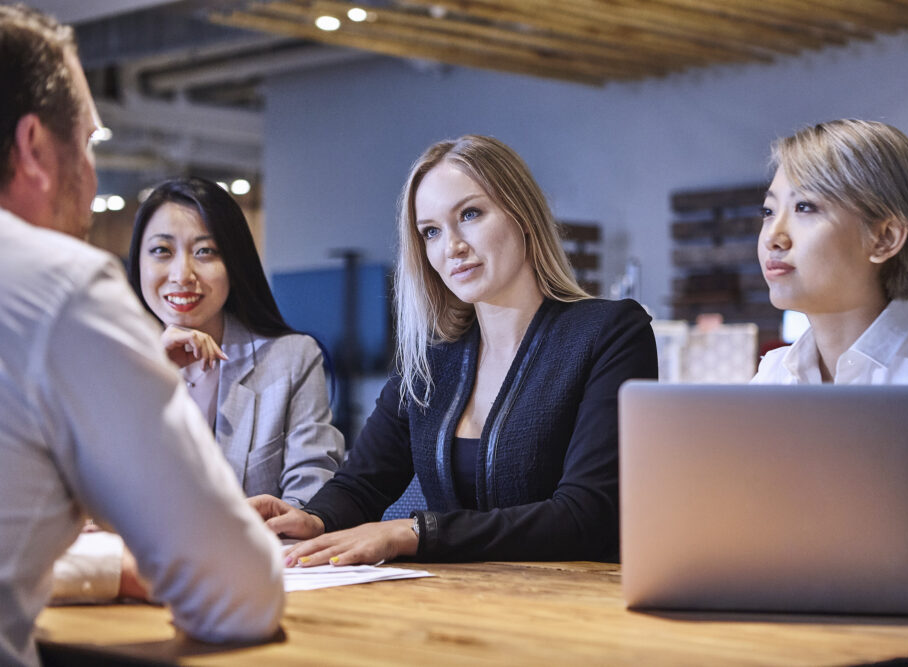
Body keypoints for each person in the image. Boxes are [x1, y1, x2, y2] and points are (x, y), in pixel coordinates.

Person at [0, 6, 283, 665]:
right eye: (91, 143)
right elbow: (239, 592)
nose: (94, 175)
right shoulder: (61, 286)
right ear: (36, 148)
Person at [252, 135, 658, 566]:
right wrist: (313, 519)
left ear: (522, 214)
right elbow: (362, 485)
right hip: (453, 605)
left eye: (470, 214)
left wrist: (415, 532)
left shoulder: (609, 333)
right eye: (431, 231)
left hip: (576, 606)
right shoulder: (434, 359)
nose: (452, 247)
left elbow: (585, 515)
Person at [752, 119, 908, 597]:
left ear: (885, 237)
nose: (773, 237)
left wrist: (891, 563)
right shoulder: (773, 375)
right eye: (768, 211)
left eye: (805, 207)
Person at [127, 178, 343, 506]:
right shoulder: (112, 360)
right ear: (138, 263)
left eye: (205, 251)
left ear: (234, 263)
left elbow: (312, 498)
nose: (182, 274)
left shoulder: (291, 358)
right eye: (162, 251)